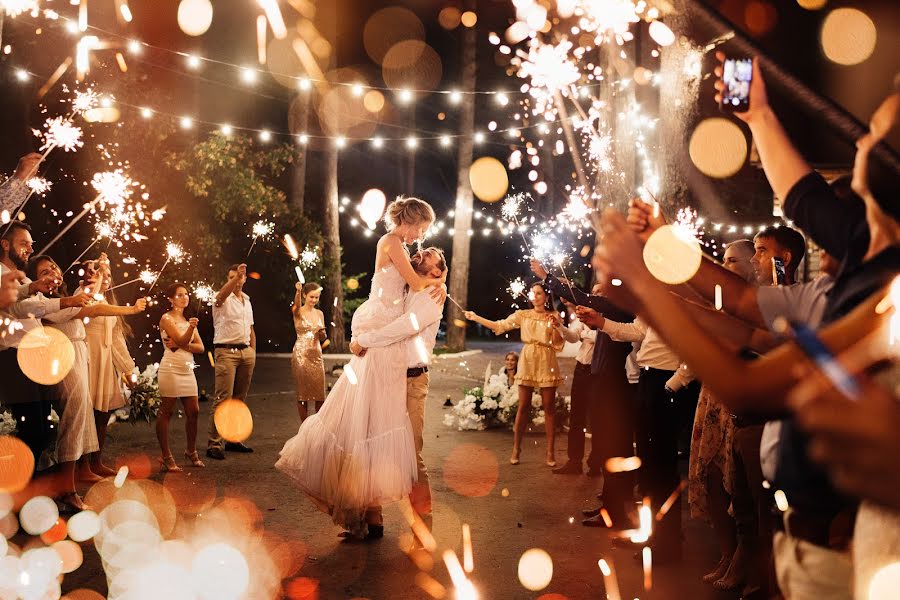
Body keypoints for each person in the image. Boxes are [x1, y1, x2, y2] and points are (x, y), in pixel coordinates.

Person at [276, 196, 444, 539]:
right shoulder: (391, 242)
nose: (420, 237)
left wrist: (436, 284)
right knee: (367, 431)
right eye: (421, 229)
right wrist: (434, 283)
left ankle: (382, 519)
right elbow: (413, 282)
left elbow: (411, 293)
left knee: (379, 435)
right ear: (410, 220)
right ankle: (371, 516)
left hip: (390, 350)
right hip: (383, 344)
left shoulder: (412, 268)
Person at [29, 255, 146, 510]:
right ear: (35, 280)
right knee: (73, 419)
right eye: (43, 272)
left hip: (79, 356)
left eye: (54, 268)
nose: (51, 274)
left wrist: (105, 274)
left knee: (79, 418)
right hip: (64, 357)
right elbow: (89, 307)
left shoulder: (68, 296)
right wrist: (107, 280)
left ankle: (67, 486)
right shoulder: (45, 302)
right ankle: (66, 489)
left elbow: (93, 303)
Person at [350, 247, 448, 534]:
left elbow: (404, 327)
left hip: (412, 381)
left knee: (410, 453)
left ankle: (423, 525)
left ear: (439, 270)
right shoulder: (406, 287)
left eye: (432, 254)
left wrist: (365, 340)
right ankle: (372, 516)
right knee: (373, 442)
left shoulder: (432, 297)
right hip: (385, 376)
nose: (424, 249)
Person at [1, 223, 89, 468]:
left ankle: (28, 487)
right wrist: (35, 289)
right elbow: (19, 307)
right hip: (12, 359)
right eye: (24, 243)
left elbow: (41, 306)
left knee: (42, 430)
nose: (30, 248)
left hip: (34, 360)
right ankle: (17, 491)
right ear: (5, 244)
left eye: (31, 244)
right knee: (33, 431)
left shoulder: (26, 278)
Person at [465, 282, 565, 466]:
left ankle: (550, 452)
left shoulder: (554, 316)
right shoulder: (523, 315)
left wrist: (558, 326)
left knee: (549, 407)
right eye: (532, 293)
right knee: (523, 406)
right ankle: (516, 448)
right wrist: (476, 317)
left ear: (546, 296)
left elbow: (559, 342)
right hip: (527, 359)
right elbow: (499, 326)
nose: (535, 296)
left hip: (546, 359)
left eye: (539, 293)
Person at [82, 256, 137, 477]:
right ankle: (82, 465)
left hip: (104, 362)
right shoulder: (82, 296)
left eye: (108, 275)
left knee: (103, 414)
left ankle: (97, 461)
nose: (105, 278)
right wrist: (100, 270)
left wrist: (128, 369)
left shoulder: (109, 302)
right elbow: (91, 304)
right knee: (86, 413)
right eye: (100, 273)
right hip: (88, 358)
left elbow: (116, 340)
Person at [207, 263, 256, 460]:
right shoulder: (221, 299)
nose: (236, 280)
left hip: (246, 352)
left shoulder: (247, 300)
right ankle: (214, 443)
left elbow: (251, 328)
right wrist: (236, 278)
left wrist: (252, 351)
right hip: (226, 352)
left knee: (238, 400)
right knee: (223, 399)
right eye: (231, 277)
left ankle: (233, 439)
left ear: (245, 280)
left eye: (240, 277)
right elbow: (221, 296)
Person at [157, 283, 206, 472]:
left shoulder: (187, 319)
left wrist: (180, 342)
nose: (184, 297)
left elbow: (200, 348)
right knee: (166, 411)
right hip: (170, 368)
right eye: (179, 295)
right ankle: (166, 455)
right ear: (170, 299)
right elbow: (185, 339)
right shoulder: (166, 318)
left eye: (186, 294)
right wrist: (188, 333)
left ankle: (191, 450)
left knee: (194, 411)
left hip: (187, 369)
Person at [552, 297, 601, 476]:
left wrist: (584, 335)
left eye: (599, 292)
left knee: (597, 419)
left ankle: (596, 463)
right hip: (582, 368)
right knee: (576, 416)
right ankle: (574, 462)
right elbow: (572, 338)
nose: (595, 296)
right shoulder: (583, 319)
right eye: (594, 292)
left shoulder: (608, 318)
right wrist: (559, 326)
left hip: (599, 372)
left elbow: (601, 336)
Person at [291, 282, 327, 421]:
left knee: (320, 394)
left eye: (317, 297)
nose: (314, 300)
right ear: (305, 295)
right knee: (303, 394)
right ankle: (304, 427)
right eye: (311, 297)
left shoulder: (319, 313)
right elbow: (296, 305)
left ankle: (317, 426)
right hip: (301, 355)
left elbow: (323, 337)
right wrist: (298, 291)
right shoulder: (298, 311)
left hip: (316, 355)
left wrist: (322, 333)